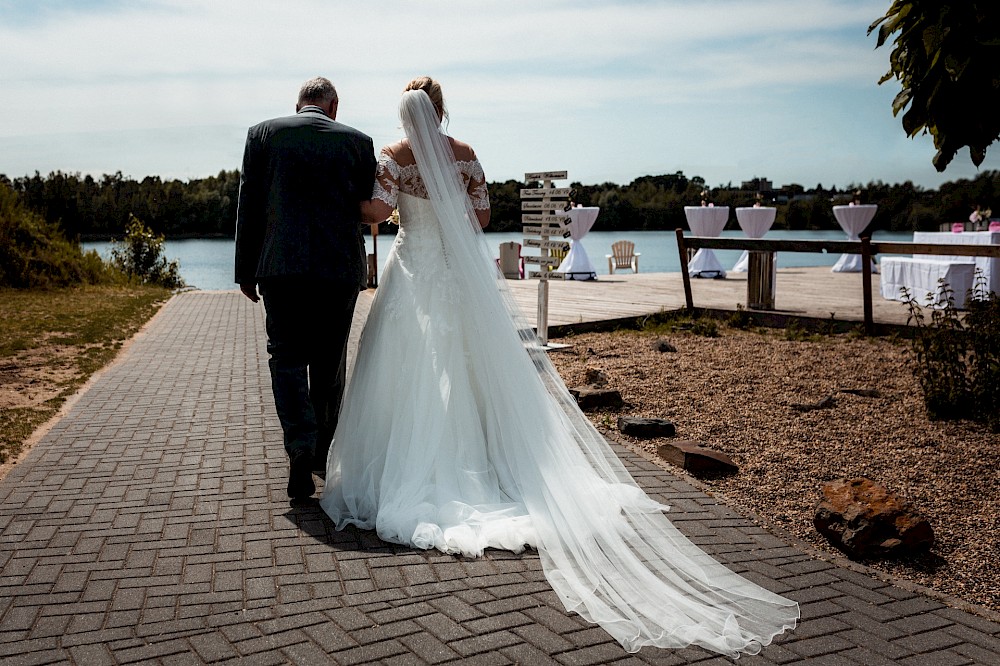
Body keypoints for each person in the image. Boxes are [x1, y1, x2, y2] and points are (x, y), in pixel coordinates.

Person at [320, 77, 798, 657]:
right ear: (441, 111)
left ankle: (419, 466)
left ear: (405, 114)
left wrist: (352, 198)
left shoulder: (393, 157)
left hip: (415, 276)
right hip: (456, 277)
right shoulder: (465, 155)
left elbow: (378, 212)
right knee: (475, 369)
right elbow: (480, 219)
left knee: (407, 374)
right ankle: (492, 461)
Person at [235, 77, 377, 503]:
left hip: (281, 269)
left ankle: (299, 447)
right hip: (338, 269)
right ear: (334, 106)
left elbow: (249, 203)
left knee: (286, 359)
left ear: (298, 105)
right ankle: (320, 454)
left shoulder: (262, 134)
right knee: (329, 362)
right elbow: (368, 206)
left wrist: (245, 270)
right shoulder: (358, 142)